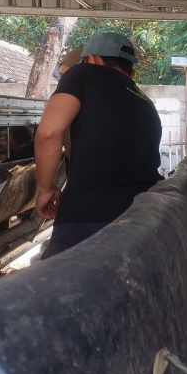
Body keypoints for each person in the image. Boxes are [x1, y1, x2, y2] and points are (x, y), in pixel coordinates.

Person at [34, 32, 163, 259]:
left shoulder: (84, 74)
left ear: (92, 59)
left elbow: (49, 132)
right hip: (142, 216)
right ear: (129, 67)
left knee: (48, 289)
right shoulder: (144, 101)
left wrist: (45, 189)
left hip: (89, 216)